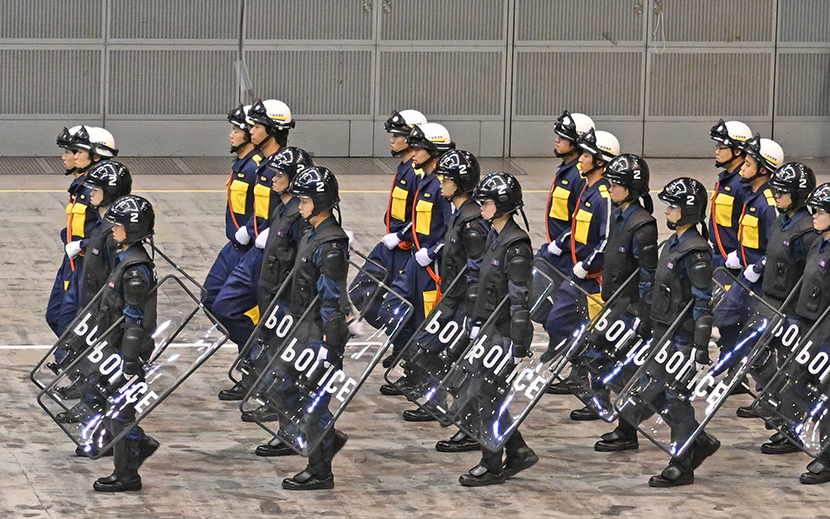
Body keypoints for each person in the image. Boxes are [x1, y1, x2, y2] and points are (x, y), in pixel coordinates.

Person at [457, 171, 538, 487]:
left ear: (502, 205)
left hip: (504, 333)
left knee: (487, 395)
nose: (482, 208)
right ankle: (517, 451)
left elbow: (520, 299)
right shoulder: (494, 235)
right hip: (490, 329)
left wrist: (518, 346)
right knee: (486, 395)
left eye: (487, 203)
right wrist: (476, 322)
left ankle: (491, 465)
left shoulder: (515, 246)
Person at [215, 147, 313, 404]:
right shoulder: (281, 208)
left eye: (280, 175)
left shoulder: (299, 215)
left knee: (280, 338)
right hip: (262, 269)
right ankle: (256, 362)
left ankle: (273, 391)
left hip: (281, 283)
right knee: (225, 306)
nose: (273, 179)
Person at [643, 178, 720, 488]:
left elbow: (703, 303)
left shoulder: (696, 253)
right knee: (654, 393)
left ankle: (682, 463)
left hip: (682, 337)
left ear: (687, 211)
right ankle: (697, 440)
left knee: (676, 397)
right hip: (664, 332)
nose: (667, 210)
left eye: (672, 206)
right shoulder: (673, 244)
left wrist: (699, 348)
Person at [540, 128, 619, 420]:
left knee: (598, 340)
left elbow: (607, 240)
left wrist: (588, 266)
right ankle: (579, 370)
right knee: (557, 322)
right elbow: (576, 228)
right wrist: (561, 245)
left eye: (586, 155)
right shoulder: (587, 188)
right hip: (579, 276)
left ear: (600, 162)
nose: (581, 159)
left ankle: (600, 400)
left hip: (594, 281)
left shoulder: (603, 195)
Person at [279, 167, 350, 491]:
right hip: (303, 326)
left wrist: (328, 345)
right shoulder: (312, 233)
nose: (300, 205)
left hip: (318, 333)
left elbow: (332, 298)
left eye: (305, 200)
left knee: (314, 401)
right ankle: (326, 441)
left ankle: (320, 471)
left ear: (319, 203)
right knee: (285, 389)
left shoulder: (330, 243)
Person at [583, 154, 658, 452]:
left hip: (630, 308)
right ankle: (623, 420)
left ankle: (629, 427)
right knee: (603, 359)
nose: (610, 188)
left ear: (631, 188)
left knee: (623, 368)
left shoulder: (643, 225)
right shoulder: (619, 215)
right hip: (614, 302)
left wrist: (644, 317)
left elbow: (647, 275)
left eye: (615, 184)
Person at [378, 123, 454, 394]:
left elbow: (453, 231)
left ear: (434, 152)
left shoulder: (442, 186)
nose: (413, 153)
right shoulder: (424, 180)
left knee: (427, 324)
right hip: (415, 262)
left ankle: (425, 382)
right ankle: (411, 364)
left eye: (419, 148)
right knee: (393, 310)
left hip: (432, 268)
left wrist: (432, 253)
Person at [92, 195, 160, 492]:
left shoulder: (134, 270)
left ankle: (126, 475)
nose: (113, 229)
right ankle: (138, 446)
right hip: (118, 347)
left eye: (118, 225)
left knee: (121, 412)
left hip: (128, 351)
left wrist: (129, 364)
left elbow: (135, 321)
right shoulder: (127, 259)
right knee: (117, 408)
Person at [350, 110, 426, 357]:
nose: (392, 140)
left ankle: (406, 349)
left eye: (398, 135)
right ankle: (401, 339)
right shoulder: (405, 167)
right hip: (390, 246)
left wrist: (402, 237)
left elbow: (422, 215)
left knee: (401, 304)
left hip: (404, 249)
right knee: (362, 292)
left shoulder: (417, 173)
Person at [711, 135, 783, 381]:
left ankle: (764, 385)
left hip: (760, 282)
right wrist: (740, 257)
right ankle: (735, 370)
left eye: (749, 164)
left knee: (755, 336)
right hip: (744, 276)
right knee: (724, 319)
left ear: (763, 169)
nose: (743, 167)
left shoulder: (768, 204)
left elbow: (776, 247)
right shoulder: (752, 195)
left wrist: (758, 267)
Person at [48, 126, 117, 339]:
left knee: (71, 325)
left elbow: (109, 232)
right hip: (72, 262)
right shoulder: (80, 186)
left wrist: (82, 245)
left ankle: (77, 359)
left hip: (88, 265)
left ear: (96, 156)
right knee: (55, 315)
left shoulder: (100, 192)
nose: (66, 157)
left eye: (75, 151)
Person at [203, 104, 264, 312]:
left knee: (235, 306)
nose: (232, 135)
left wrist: (249, 230)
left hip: (249, 247)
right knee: (209, 296)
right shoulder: (242, 164)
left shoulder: (256, 167)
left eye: (237, 131)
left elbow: (266, 207)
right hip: (235, 245)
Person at [708, 119, 752, 272]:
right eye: (717, 147)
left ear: (737, 151)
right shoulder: (726, 177)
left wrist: (740, 256)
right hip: (720, 256)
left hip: (734, 260)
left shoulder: (743, 183)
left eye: (722, 148)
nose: (717, 152)